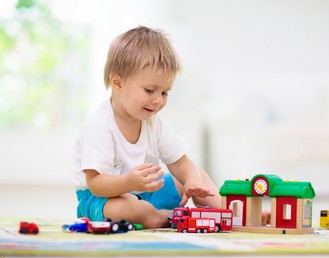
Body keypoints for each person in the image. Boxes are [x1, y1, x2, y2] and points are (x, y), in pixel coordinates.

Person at [72, 26, 222, 229]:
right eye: (150, 90)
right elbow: (96, 184)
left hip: (147, 193)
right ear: (117, 83)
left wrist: (192, 180)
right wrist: (129, 183)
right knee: (125, 207)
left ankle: (228, 214)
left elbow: (180, 162)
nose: (158, 100)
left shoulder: (154, 122)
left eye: (165, 93)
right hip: (104, 199)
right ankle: (163, 219)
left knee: (199, 174)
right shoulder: (99, 127)